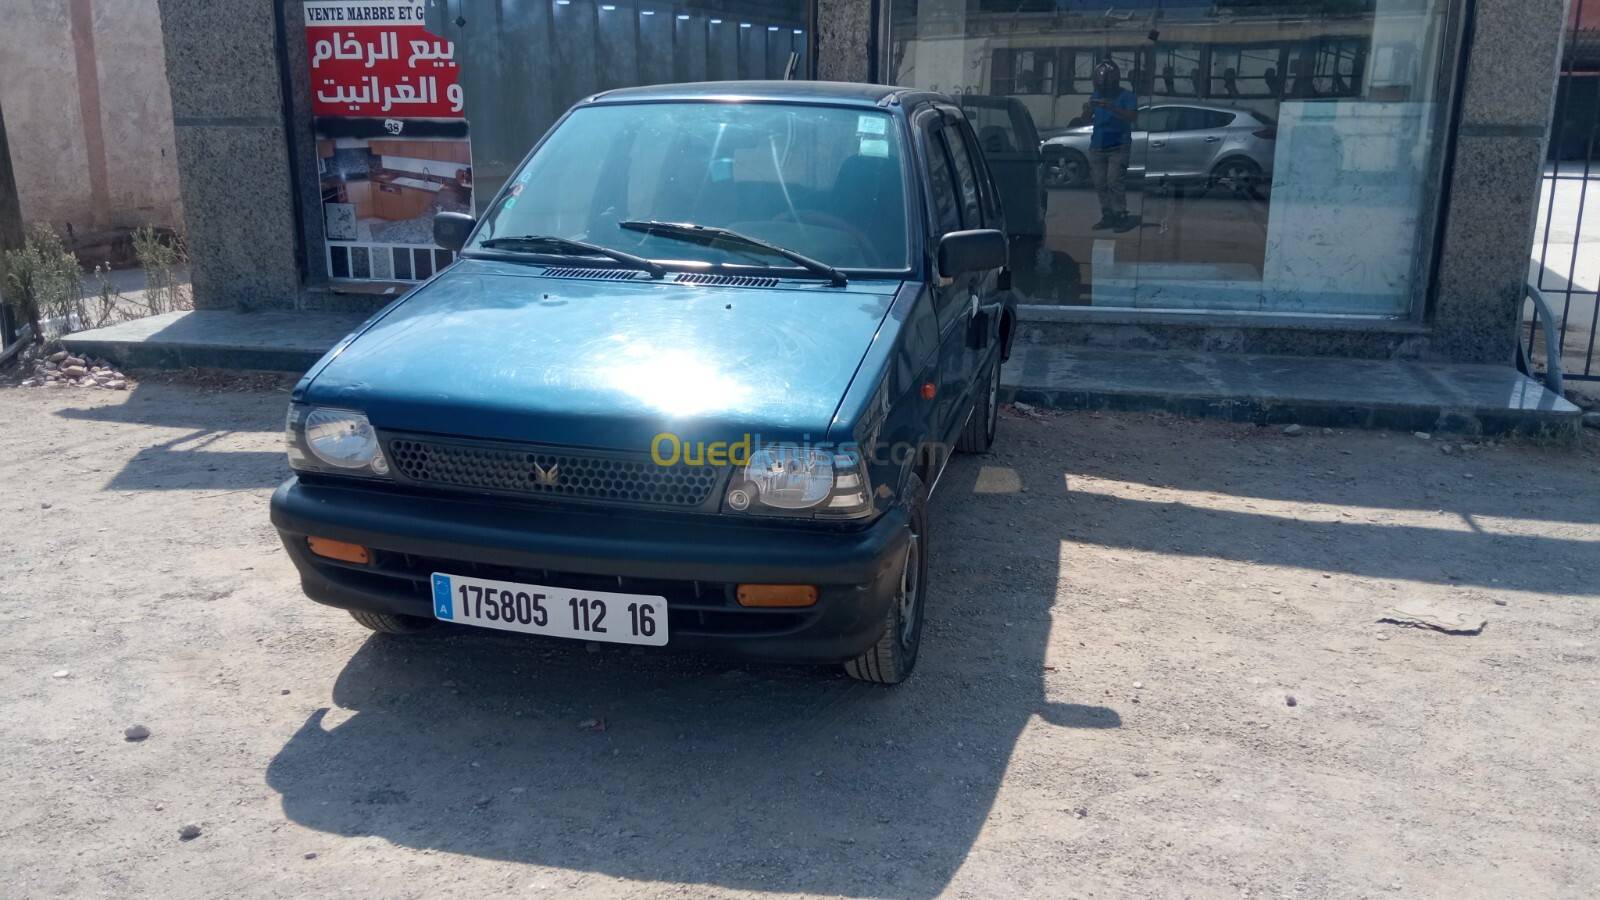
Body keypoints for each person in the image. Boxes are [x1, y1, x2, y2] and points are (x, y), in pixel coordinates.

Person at [1083, 60, 1138, 233]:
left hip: (1118, 145)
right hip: (1098, 145)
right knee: (1100, 183)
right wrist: (1086, 110)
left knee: (1114, 181)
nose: (1102, 89)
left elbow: (1132, 117)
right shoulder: (1095, 94)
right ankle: (1107, 214)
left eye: (1105, 86)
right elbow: (1086, 121)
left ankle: (1121, 214)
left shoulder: (1127, 96)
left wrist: (1113, 107)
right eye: (1099, 86)